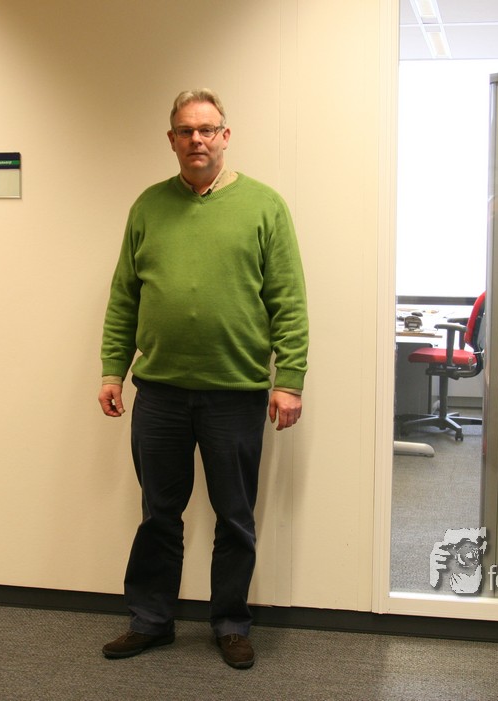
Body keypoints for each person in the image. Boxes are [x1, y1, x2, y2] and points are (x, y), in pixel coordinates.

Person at [98, 89, 309, 670]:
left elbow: (289, 301)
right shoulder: (148, 207)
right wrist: (113, 369)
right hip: (160, 393)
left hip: (235, 393)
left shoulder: (264, 206)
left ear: (225, 136)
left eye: (207, 129)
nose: (197, 139)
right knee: (158, 515)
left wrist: (289, 380)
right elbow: (124, 297)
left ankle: (231, 623)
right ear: (171, 140)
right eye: (186, 131)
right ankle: (151, 621)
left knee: (234, 517)